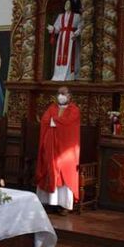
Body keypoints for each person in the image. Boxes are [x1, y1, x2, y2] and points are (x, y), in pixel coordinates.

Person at [35, 86, 81, 215]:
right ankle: (49, 202)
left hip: (65, 150)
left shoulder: (74, 110)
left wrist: (54, 121)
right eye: (59, 93)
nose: (61, 96)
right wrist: (54, 121)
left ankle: (64, 205)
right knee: (48, 169)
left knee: (63, 172)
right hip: (50, 147)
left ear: (69, 96)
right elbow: (45, 120)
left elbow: (68, 124)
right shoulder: (52, 108)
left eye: (63, 93)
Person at [48, 0, 82, 81]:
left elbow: (81, 27)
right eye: (65, 4)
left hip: (71, 38)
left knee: (71, 56)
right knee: (60, 56)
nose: (66, 5)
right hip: (62, 38)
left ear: (72, 5)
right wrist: (52, 29)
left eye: (68, 4)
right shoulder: (60, 16)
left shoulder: (77, 16)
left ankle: (70, 75)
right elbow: (57, 29)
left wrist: (76, 34)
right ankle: (58, 75)